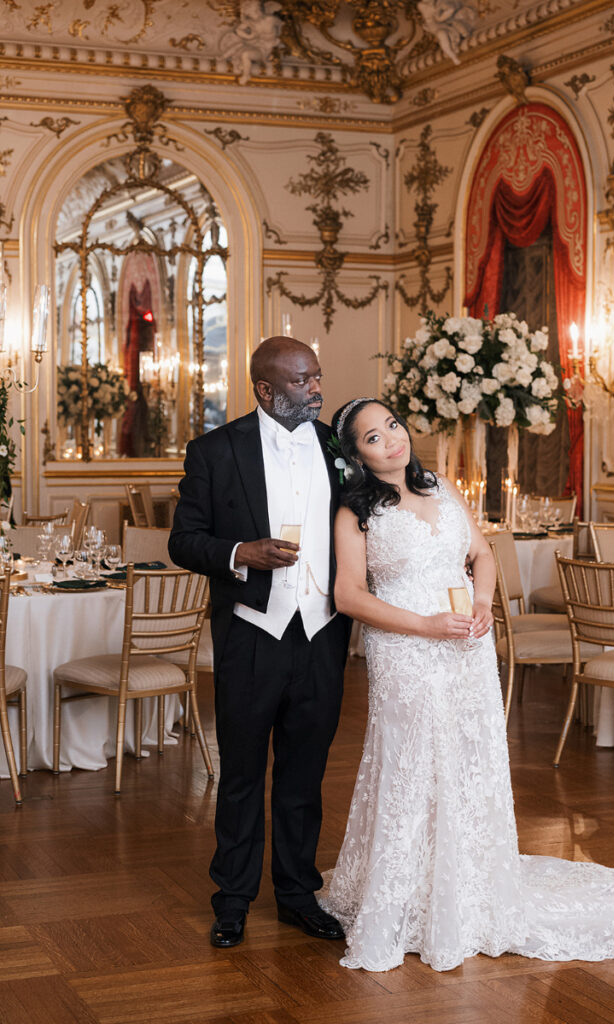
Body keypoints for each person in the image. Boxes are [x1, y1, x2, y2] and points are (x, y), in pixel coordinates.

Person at [319, 397, 614, 973]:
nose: (390, 440)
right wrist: (426, 625)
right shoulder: (354, 512)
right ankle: (405, 891)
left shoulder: (439, 486)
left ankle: (471, 882)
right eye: (371, 437)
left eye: (392, 425)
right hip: (406, 649)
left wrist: (483, 601)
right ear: (356, 455)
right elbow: (348, 596)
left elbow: (480, 553)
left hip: (465, 644)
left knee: (469, 760)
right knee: (412, 763)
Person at [168, 337, 350, 949]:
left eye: (318, 377)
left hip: (323, 632)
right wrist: (241, 553)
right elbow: (184, 541)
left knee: (305, 773)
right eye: (303, 381)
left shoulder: (339, 448)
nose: (316, 389)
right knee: (242, 773)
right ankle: (233, 900)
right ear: (266, 390)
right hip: (251, 631)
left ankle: (298, 893)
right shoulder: (215, 451)